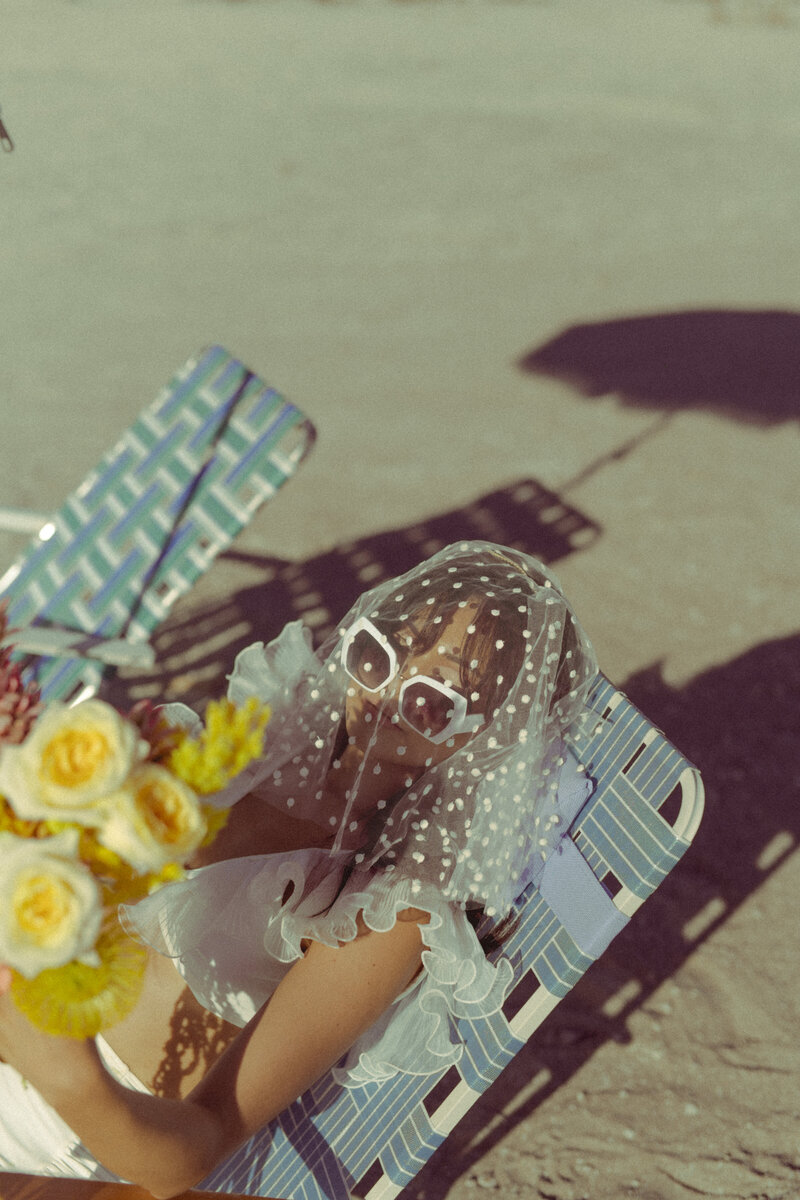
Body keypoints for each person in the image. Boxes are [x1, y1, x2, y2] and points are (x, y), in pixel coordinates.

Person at [0, 540, 597, 1197]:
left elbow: (195, 1151)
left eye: (436, 696)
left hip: (51, 1108)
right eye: (385, 647)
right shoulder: (228, 758)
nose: (390, 686)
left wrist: (68, 1076)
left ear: (481, 744)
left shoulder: (381, 910)